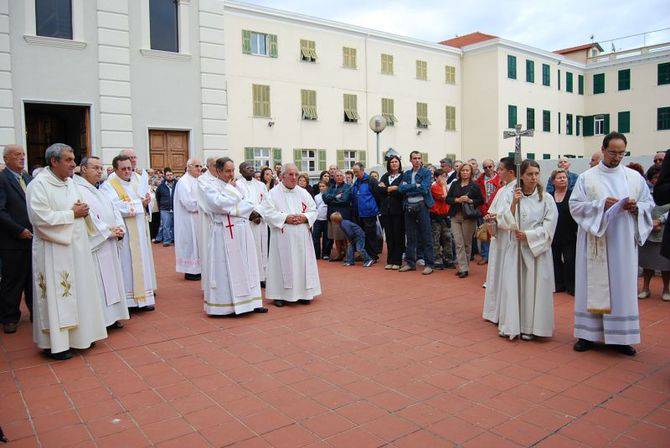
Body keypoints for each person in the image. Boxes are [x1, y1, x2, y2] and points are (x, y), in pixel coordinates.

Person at [570, 132, 653, 356]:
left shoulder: (634, 178)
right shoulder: (587, 177)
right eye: (613, 152)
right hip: (595, 241)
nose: (617, 157)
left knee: (621, 287)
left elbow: (649, 203)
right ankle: (587, 335)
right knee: (591, 285)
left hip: (623, 243)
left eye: (621, 153)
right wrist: (600, 205)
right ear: (603, 149)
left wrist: (638, 208)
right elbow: (575, 206)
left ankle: (621, 337)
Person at [27, 143, 107, 360]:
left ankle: (82, 337)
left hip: (77, 249)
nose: (74, 164)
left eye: (73, 159)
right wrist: (71, 214)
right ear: (54, 161)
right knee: (57, 293)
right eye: (69, 160)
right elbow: (40, 218)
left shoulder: (70, 183)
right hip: (54, 249)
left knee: (80, 290)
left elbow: (79, 209)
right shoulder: (39, 185)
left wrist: (84, 212)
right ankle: (58, 344)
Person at [496, 160, 558, 340]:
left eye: (536, 174)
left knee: (535, 288)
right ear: (521, 175)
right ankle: (514, 324)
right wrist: (514, 203)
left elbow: (550, 224)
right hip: (516, 247)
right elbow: (502, 219)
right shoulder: (511, 195)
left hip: (536, 249)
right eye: (530, 174)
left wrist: (530, 235)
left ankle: (533, 327)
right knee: (515, 286)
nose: (534, 177)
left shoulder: (546, 198)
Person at [200, 158, 267, 316]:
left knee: (248, 266)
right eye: (227, 171)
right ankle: (226, 306)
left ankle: (252, 302)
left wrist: (232, 203)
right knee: (225, 269)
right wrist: (232, 197)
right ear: (218, 171)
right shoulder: (209, 186)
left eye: (232, 170)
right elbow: (217, 204)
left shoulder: (239, 185)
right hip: (223, 231)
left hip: (242, 231)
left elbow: (249, 202)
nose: (231, 174)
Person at [74, 156, 130, 328]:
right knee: (98, 281)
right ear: (83, 169)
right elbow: (87, 215)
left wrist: (119, 228)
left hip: (109, 242)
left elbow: (114, 209)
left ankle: (112, 317)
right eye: (95, 168)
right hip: (97, 244)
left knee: (111, 279)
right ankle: (101, 320)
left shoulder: (99, 189)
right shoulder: (77, 189)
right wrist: (108, 231)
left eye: (100, 168)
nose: (99, 171)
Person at [257, 163, 321, 307]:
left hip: (302, 237)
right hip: (282, 237)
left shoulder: (303, 192)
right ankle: (279, 295)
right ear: (282, 176)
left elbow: (313, 210)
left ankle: (304, 293)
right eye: (290, 174)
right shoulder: (273, 193)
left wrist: (304, 217)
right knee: (281, 264)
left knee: (302, 264)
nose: (294, 178)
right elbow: (267, 212)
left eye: (296, 175)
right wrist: (286, 218)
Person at [101, 155, 157, 311]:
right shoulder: (109, 185)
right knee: (126, 264)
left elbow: (148, 197)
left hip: (139, 229)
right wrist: (140, 203)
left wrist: (147, 200)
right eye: (123, 169)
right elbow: (115, 206)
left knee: (142, 262)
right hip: (124, 232)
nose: (127, 172)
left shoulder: (136, 181)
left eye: (129, 168)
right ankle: (129, 301)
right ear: (115, 169)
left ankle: (143, 299)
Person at [0, 145, 33, 334]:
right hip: (13, 240)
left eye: (23, 155)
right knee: (13, 280)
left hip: (32, 237)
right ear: (6, 159)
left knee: (31, 279)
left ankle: (35, 313)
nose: (22, 158)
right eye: (17, 155)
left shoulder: (28, 178)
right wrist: (18, 230)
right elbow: (1, 211)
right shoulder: (2, 179)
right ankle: (10, 317)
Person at [482, 157, 517, 323]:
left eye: (501, 169)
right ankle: (494, 311)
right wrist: (491, 216)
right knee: (496, 273)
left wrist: (498, 217)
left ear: (511, 171)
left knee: (506, 273)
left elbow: (515, 215)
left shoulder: (517, 189)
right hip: (498, 238)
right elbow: (493, 209)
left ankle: (505, 312)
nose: (498, 172)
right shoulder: (503, 190)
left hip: (510, 238)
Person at [399, 151, 435, 275]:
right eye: (414, 158)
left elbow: (424, 189)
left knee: (426, 235)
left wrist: (409, 187)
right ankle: (410, 263)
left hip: (422, 206)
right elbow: (401, 189)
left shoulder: (426, 172)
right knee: (410, 236)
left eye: (419, 158)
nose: (417, 160)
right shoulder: (407, 173)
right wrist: (415, 186)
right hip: (408, 206)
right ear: (410, 160)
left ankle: (429, 264)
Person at [446, 163, 484, 278]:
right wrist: (457, 200)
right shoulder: (455, 184)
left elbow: (481, 200)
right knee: (458, 243)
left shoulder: (474, 185)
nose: (465, 172)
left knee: (467, 243)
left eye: (467, 170)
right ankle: (463, 267)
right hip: (455, 216)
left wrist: (470, 200)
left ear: (471, 172)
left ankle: (464, 267)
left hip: (468, 217)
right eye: (463, 170)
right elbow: (448, 199)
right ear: (460, 172)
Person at [237, 161, 270, 286]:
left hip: (260, 221)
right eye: (247, 167)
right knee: (251, 249)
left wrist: (259, 213)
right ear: (241, 171)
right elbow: (239, 201)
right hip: (247, 222)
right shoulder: (238, 185)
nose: (250, 169)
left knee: (262, 249)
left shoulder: (260, 185)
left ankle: (263, 277)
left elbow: (267, 201)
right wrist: (250, 214)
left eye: (252, 167)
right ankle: (251, 277)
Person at [174, 159, 202, 281]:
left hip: (197, 218)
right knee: (190, 243)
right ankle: (190, 271)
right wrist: (203, 205)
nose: (199, 168)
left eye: (201, 166)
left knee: (197, 243)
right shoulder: (183, 182)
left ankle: (198, 269)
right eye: (197, 166)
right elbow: (188, 203)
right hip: (187, 219)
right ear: (188, 167)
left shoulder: (197, 180)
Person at [550, 169, 577, 295]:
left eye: (564, 177)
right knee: (555, 260)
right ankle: (559, 284)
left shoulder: (573, 195)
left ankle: (571, 286)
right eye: (559, 177)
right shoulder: (549, 196)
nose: (562, 179)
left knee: (570, 260)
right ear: (553, 181)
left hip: (569, 234)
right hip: (553, 234)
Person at [377, 155, 405, 270]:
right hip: (386, 211)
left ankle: (397, 261)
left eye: (396, 162)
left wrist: (387, 189)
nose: (394, 164)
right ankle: (390, 260)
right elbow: (379, 190)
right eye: (392, 162)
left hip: (398, 210)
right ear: (389, 164)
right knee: (389, 236)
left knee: (398, 235)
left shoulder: (403, 176)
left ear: (399, 163)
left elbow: (401, 191)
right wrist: (392, 188)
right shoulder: (385, 176)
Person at [351, 162, 380, 261]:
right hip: (358, 213)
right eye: (354, 172)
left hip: (369, 213)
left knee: (371, 235)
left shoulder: (371, 181)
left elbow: (377, 195)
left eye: (357, 172)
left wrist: (374, 208)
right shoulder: (356, 182)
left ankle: (373, 255)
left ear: (362, 170)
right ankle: (365, 254)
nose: (355, 174)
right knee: (362, 235)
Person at [197, 157, 218, 290]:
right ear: (209, 166)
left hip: (222, 219)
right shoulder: (202, 180)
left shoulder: (221, 178)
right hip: (210, 220)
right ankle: (208, 285)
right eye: (216, 165)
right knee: (209, 251)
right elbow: (207, 201)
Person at [475, 159, 501, 265]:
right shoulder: (480, 180)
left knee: (498, 233)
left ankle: (497, 256)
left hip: (497, 209)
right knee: (484, 234)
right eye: (485, 167)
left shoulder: (500, 179)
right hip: (484, 209)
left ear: (494, 166)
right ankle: (486, 256)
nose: (488, 169)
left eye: (490, 166)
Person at [323, 170, 352, 261]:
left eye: (340, 175)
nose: (339, 177)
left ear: (343, 177)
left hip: (342, 215)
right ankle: (339, 254)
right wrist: (336, 196)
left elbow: (344, 200)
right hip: (331, 215)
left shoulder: (347, 187)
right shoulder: (331, 187)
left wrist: (331, 198)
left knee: (344, 237)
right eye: (337, 176)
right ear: (334, 177)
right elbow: (325, 198)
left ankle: (348, 255)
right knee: (336, 237)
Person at [430, 169, 454, 269]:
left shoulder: (445, 186)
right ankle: (437, 260)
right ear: (436, 177)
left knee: (448, 238)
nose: (444, 178)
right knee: (436, 239)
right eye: (442, 176)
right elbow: (445, 197)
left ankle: (448, 259)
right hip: (436, 216)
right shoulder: (434, 187)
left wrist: (445, 186)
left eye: (445, 176)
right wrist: (444, 186)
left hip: (445, 216)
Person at [154, 167, 176, 246]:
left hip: (175, 208)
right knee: (166, 225)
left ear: (173, 175)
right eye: (168, 175)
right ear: (165, 176)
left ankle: (174, 238)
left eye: (171, 175)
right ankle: (167, 241)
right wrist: (161, 206)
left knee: (174, 225)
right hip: (165, 208)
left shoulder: (177, 184)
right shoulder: (161, 186)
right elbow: (157, 196)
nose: (169, 176)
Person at [312, 181, 331, 259]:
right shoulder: (316, 197)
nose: (321, 188)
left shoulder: (329, 195)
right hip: (318, 219)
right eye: (320, 186)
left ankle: (325, 254)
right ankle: (316, 254)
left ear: (326, 187)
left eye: (323, 186)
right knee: (315, 237)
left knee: (326, 238)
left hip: (326, 219)